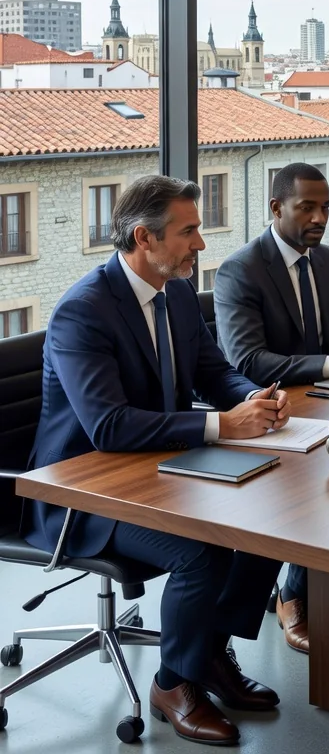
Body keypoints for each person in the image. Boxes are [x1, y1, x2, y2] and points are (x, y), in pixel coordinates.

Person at [26, 176, 290, 747]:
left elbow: (214, 372)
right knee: (200, 549)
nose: (200, 244)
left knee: (274, 518)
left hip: (159, 472)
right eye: (188, 231)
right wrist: (224, 424)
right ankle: (174, 684)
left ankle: (208, 654)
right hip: (83, 494)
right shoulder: (83, 311)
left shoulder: (174, 295)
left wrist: (253, 399)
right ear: (144, 237)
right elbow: (109, 426)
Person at [214, 163, 329, 656]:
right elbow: (247, 359)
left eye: (326, 207)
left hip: (322, 403)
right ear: (276, 209)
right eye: (307, 207)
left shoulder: (327, 260)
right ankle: (292, 593)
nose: (320, 217)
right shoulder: (241, 269)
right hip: (268, 414)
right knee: (315, 490)